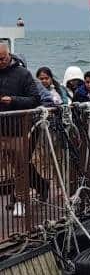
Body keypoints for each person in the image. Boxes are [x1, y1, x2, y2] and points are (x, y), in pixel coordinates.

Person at [0, 39, 41, 220]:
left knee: (20, 168)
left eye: (1, 58)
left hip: (16, 129)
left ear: (8, 55)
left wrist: (13, 100)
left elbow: (35, 99)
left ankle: (21, 201)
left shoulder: (23, 74)